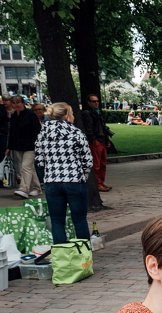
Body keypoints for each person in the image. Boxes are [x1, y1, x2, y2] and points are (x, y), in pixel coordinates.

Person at [34, 103, 93, 244]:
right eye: (71, 114)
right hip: (74, 180)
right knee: (79, 220)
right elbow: (88, 161)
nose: (73, 117)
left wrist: (50, 172)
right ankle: (84, 254)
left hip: (52, 182)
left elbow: (39, 160)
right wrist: (82, 176)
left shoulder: (43, 134)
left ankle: (61, 256)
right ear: (66, 116)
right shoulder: (76, 133)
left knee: (57, 221)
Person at [7, 96, 42, 199]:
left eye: (18, 103)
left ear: (23, 103)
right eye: (13, 103)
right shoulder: (13, 116)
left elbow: (38, 130)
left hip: (30, 146)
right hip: (18, 146)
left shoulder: (31, 115)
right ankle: (37, 188)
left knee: (25, 167)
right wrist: (9, 147)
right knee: (30, 168)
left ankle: (24, 189)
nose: (16, 105)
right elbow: (12, 132)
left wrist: (39, 144)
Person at [81, 94, 113, 192]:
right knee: (96, 164)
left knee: (102, 163)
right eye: (94, 101)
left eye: (97, 101)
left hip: (102, 141)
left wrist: (107, 140)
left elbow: (103, 127)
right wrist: (94, 140)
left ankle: (101, 182)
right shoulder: (87, 113)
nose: (96, 103)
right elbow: (89, 129)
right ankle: (98, 184)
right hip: (96, 141)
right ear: (89, 102)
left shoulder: (98, 112)